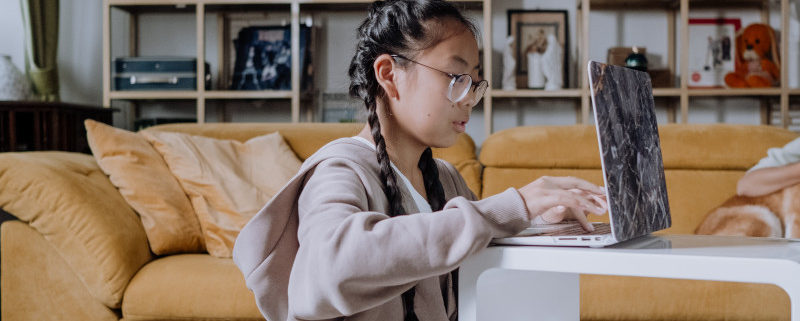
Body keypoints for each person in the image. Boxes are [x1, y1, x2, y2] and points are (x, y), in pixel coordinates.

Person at [232, 1, 608, 320]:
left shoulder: (443, 177)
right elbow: (327, 267)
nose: (468, 99)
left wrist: (540, 221)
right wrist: (515, 203)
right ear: (389, 75)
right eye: (456, 77)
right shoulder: (341, 169)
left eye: (474, 83)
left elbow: (471, 237)